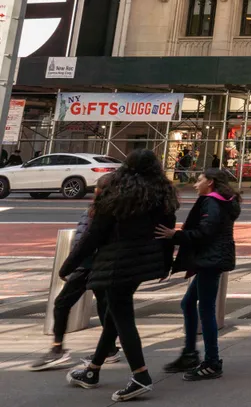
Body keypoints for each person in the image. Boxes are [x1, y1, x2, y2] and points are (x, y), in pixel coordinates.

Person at [61, 149, 179, 402]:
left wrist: (69, 265)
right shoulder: (162, 194)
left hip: (116, 264)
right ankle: (93, 370)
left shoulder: (116, 194)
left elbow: (93, 235)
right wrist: (166, 263)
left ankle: (141, 375)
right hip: (142, 265)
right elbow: (166, 230)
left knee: (122, 318)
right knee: (114, 317)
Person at [157, 168, 242, 381]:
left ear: (210, 182)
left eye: (199, 180)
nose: (196, 184)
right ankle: (190, 353)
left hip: (210, 260)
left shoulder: (212, 202)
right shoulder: (224, 200)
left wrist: (175, 235)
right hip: (212, 258)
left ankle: (212, 361)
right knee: (188, 304)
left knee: (206, 310)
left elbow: (206, 231)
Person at [29, 175, 121, 371]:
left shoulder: (101, 211)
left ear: (100, 190)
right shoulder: (112, 209)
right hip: (98, 265)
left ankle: (57, 348)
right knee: (105, 307)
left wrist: (68, 266)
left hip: (88, 265)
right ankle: (110, 349)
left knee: (63, 303)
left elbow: (87, 240)